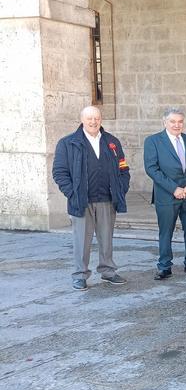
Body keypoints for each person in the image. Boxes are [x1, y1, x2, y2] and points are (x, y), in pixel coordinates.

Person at [52, 105, 130, 291]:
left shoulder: (112, 142)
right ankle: (80, 275)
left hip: (107, 199)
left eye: (96, 118)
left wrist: (121, 188)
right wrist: (72, 193)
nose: (93, 122)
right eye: (89, 118)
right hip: (82, 201)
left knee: (106, 239)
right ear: (82, 120)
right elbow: (59, 172)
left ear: (101, 119)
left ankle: (108, 271)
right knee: (81, 240)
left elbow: (123, 169)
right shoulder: (67, 143)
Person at [143, 108, 186, 279]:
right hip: (167, 195)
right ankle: (164, 266)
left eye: (180, 122)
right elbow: (151, 169)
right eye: (173, 121)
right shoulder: (153, 141)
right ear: (165, 122)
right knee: (166, 231)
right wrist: (174, 188)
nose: (177, 125)